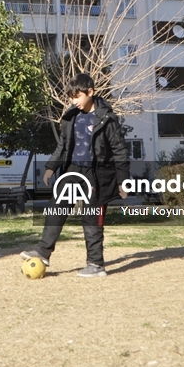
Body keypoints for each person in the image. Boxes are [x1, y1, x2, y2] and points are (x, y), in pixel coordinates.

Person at [20, 73, 131, 278]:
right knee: (56, 208)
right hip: (72, 170)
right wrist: (51, 167)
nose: (74, 101)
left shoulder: (107, 119)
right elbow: (63, 144)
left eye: (77, 96)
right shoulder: (71, 116)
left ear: (91, 92)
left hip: (96, 174)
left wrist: (123, 180)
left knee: (91, 218)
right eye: (71, 97)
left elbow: (120, 150)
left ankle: (96, 264)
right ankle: (43, 251)